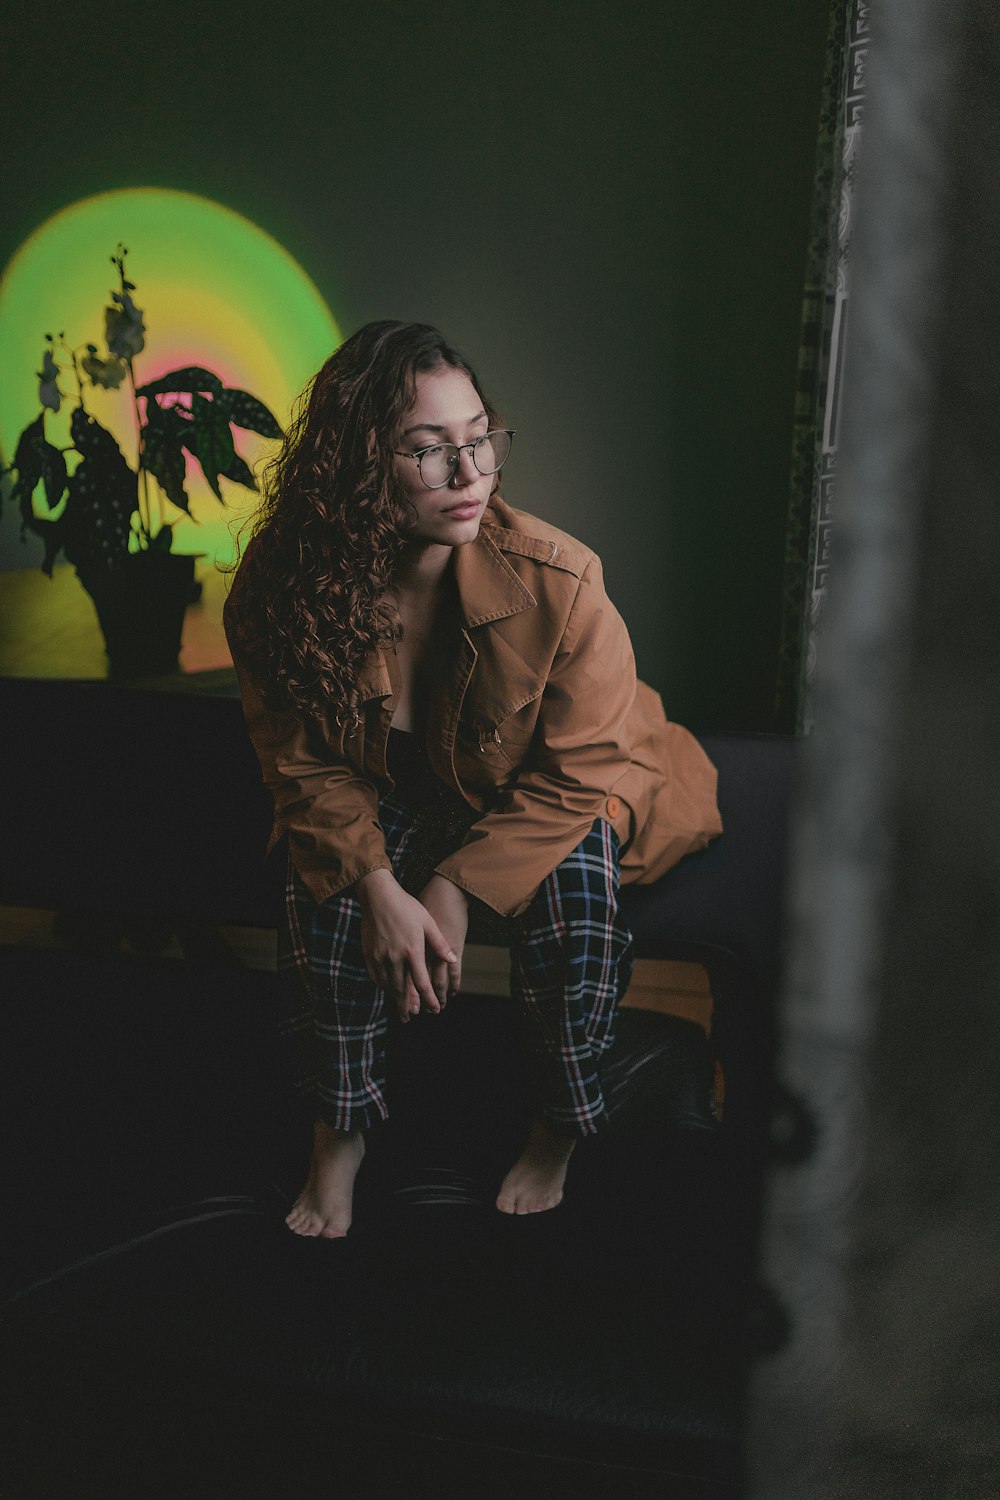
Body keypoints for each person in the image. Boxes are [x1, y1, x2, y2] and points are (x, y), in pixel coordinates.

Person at [223, 321, 721, 1239]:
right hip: (387, 796)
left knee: (580, 903)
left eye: (479, 438)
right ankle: (339, 1134)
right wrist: (377, 884)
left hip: (540, 790)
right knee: (324, 894)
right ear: (359, 461)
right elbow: (300, 762)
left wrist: (452, 888)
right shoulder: (279, 586)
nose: (471, 474)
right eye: (428, 449)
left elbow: (578, 775)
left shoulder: (563, 580)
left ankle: (557, 1126)